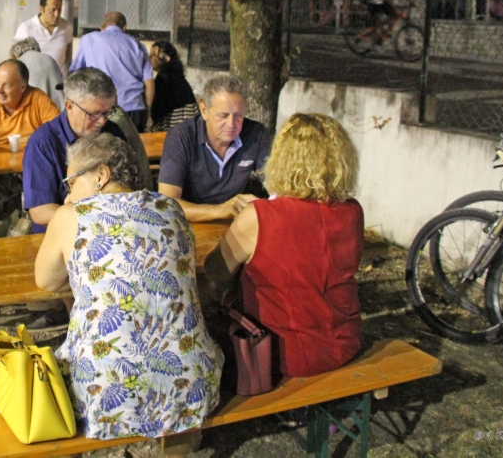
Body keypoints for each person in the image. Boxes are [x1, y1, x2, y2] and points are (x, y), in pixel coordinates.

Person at [34, 134, 223, 440]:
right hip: (193, 384)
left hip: (102, 392)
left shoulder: (72, 215)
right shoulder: (170, 207)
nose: (67, 197)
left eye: (71, 183)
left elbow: (45, 280)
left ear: (102, 175)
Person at [203, 113, 363, 378]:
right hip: (345, 343)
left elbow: (215, 271)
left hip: (281, 356)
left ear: (282, 159)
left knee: (205, 312)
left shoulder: (260, 216)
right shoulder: (352, 211)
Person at [22, 68, 127, 234]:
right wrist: (97, 218)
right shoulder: (43, 142)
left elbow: (128, 188)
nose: (101, 121)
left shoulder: (113, 133)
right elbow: (40, 211)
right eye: (93, 114)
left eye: (107, 112)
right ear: (69, 107)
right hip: (61, 235)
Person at [158, 72, 270, 222]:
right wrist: (219, 210)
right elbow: (166, 205)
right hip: (188, 224)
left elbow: (277, 186)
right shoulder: (181, 137)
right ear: (204, 111)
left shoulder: (256, 135)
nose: (231, 124)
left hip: (234, 222)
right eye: (223, 116)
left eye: (238, 116)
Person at [69, 12, 154, 131]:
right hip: (134, 107)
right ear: (124, 27)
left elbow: (75, 73)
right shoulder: (138, 45)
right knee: (133, 142)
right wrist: (148, 112)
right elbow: (149, 82)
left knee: (104, 142)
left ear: (101, 28)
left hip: (102, 109)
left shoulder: (89, 39)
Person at [0, 59, 59, 150]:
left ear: (22, 87)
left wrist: (33, 138)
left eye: (6, 85)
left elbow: (60, 132)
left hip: (28, 160)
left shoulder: (38, 99)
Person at [13, 0, 74, 78]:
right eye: (52, 10)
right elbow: (13, 56)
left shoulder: (67, 27)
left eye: (59, 10)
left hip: (59, 81)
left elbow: (66, 53)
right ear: (42, 9)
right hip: (34, 81)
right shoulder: (26, 28)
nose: (57, 14)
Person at [148, 41, 198, 132]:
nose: (149, 58)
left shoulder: (164, 79)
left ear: (167, 58)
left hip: (174, 126)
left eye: (153, 55)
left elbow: (157, 110)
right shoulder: (178, 77)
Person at [10, 36, 64, 110]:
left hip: (37, 109)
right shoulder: (49, 58)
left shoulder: (20, 63)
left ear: (16, 55)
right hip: (60, 108)